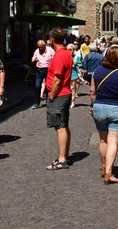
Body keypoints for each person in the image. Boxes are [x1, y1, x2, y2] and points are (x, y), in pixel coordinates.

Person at [90, 46, 118, 184]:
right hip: (117, 109)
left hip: (99, 107)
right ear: (116, 58)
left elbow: (92, 92)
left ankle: (103, 168)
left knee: (103, 140)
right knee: (113, 141)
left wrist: (94, 106)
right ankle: (109, 173)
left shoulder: (96, 72)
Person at [45, 28, 74, 170]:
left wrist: (51, 96)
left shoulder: (59, 55)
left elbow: (57, 79)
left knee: (60, 127)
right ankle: (65, 155)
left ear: (52, 40)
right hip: (65, 93)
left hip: (59, 94)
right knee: (64, 125)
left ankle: (62, 159)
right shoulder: (66, 53)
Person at [31, 39, 55, 109]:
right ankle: (37, 102)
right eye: (39, 47)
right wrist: (34, 60)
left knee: (48, 86)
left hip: (48, 70)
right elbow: (32, 60)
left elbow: (54, 59)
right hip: (39, 70)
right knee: (37, 86)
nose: (40, 48)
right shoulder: (37, 51)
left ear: (45, 46)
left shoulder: (50, 50)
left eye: (42, 47)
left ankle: (48, 101)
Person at [68, 44, 82, 109]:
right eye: (70, 50)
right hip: (66, 75)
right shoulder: (66, 57)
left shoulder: (76, 57)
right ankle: (67, 101)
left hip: (73, 75)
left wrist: (77, 64)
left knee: (72, 88)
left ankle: (72, 102)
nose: (72, 51)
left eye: (73, 50)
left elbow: (80, 65)